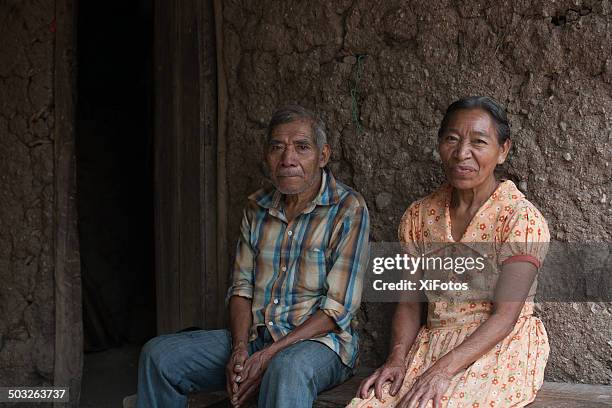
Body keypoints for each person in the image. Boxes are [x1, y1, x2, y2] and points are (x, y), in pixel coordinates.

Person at [136, 105, 370, 408]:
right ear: (266, 157)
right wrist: (240, 348)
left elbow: (336, 310)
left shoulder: (347, 208)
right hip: (258, 336)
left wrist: (269, 356)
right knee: (159, 356)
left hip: (321, 345)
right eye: (277, 148)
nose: (288, 160)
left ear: (323, 156)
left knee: (287, 369)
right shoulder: (257, 208)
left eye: (301, 148)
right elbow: (242, 288)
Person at [348, 96, 550, 408]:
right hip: (433, 343)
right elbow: (410, 304)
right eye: (451, 139)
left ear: (503, 151)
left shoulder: (519, 218)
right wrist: (397, 359)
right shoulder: (419, 216)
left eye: (479, 142)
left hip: (498, 346)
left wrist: (441, 372)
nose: (461, 153)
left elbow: (505, 316)